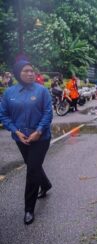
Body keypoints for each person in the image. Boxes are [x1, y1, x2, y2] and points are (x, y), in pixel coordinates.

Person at [0, 60, 53, 225]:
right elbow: (4, 115)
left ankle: (29, 209)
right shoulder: (9, 93)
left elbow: (47, 113)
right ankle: (45, 184)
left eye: (32, 71)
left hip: (41, 138)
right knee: (33, 165)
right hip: (20, 139)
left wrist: (38, 131)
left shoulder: (42, 91)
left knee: (31, 170)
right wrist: (16, 131)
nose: (30, 73)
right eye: (26, 71)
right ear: (17, 73)